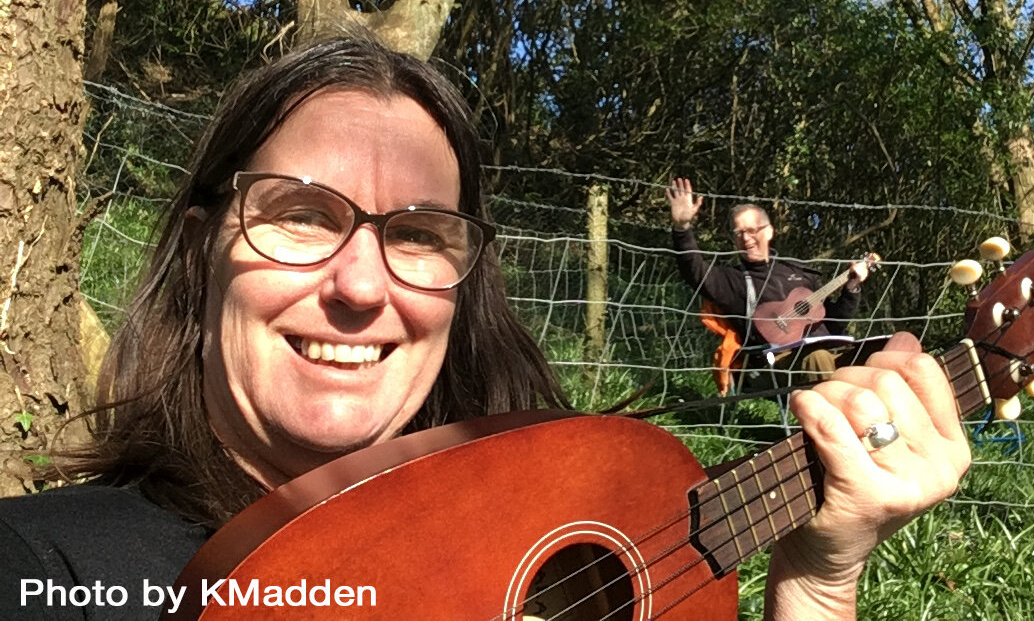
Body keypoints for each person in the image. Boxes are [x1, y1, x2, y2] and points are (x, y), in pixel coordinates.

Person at [0, 36, 969, 620]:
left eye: (418, 235)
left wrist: (816, 582)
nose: (357, 285)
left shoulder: (551, 540)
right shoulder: (46, 574)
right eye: (301, 214)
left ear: (465, 286)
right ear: (207, 246)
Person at [667, 176, 873, 386]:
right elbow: (695, 273)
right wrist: (682, 228)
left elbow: (835, 323)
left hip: (833, 351)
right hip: (781, 362)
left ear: (769, 232)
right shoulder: (731, 280)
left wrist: (852, 287)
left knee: (896, 345)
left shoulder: (800, 273)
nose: (746, 238)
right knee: (817, 358)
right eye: (739, 233)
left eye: (752, 230)